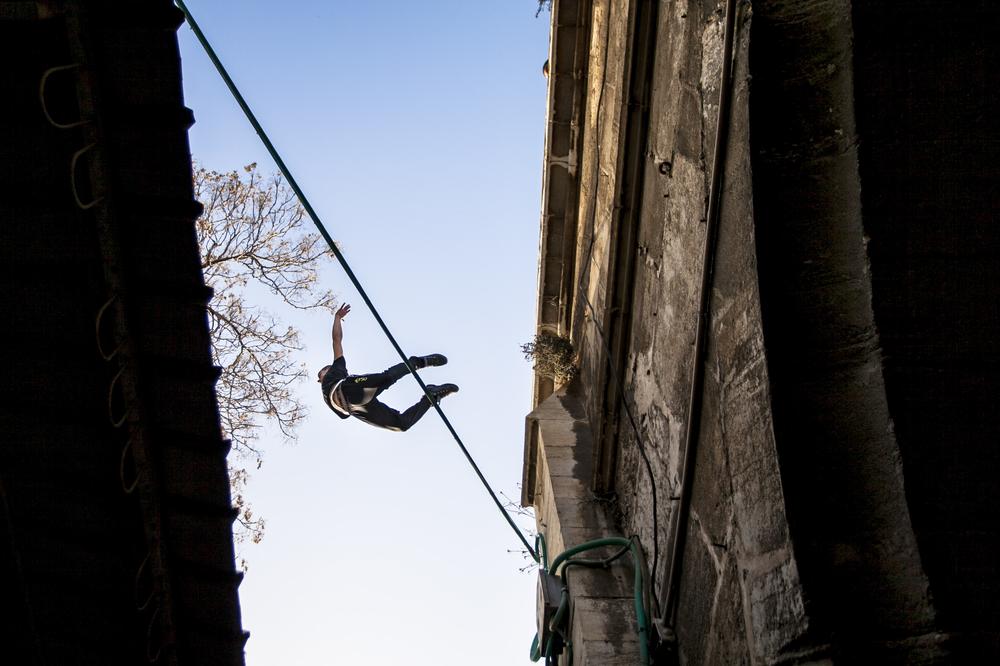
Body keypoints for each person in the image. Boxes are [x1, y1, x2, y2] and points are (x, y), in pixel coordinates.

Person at [317, 303, 459, 431]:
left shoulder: (336, 370)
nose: (320, 377)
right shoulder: (327, 392)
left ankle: (419, 362)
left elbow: (336, 340)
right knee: (401, 425)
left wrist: (337, 318)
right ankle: (430, 397)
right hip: (356, 408)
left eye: (322, 372)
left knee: (386, 378)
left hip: (349, 389)